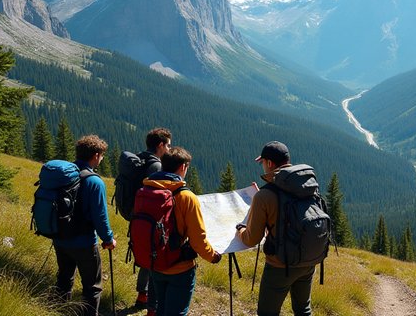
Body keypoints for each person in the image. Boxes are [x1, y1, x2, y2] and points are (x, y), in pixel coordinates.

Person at [236, 141, 318, 316]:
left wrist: (240, 230)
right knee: (303, 309)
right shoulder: (306, 186)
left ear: (270, 164)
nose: (263, 166)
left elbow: (252, 239)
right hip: (309, 259)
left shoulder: (265, 196)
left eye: (263, 162)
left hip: (279, 265)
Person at [145, 147, 222, 316]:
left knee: (161, 308)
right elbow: (198, 240)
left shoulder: (147, 189)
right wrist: (213, 256)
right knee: (176, 312)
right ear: (183, 167)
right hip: (179, 267)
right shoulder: (186, 197)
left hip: (154, 262)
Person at [52, 135, 116, 316]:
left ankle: (58, 311)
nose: (102, 159)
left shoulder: (63, 176)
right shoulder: (94, 182)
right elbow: (100, 217)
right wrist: (109, 239)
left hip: (60, 238)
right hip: (84, 243)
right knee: (92, 287)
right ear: (96, 155)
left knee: (64, 280)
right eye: (102, 156)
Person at [135, 127, 172, 311]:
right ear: (160, 145)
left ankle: (143, 295)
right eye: (168, 146)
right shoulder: (156, 165)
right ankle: (147, 298)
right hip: (150, 217)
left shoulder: (140, 157)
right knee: (152, 256)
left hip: (137, 215)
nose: (169, 150)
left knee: (144, 254)